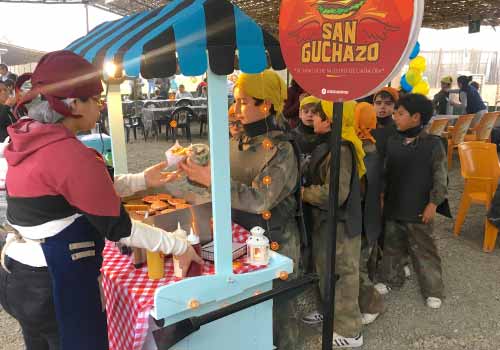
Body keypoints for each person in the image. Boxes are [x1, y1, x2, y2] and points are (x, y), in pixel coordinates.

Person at [0, 51, 202, 350]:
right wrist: (179, 244)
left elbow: (70, 192)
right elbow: (121, 228)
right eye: (95, 98)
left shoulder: (28, 138)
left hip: (17, 275)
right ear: (72, 105)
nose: (100, 105)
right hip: (53, 283)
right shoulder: (70, 155)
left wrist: (143, 180)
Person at [180, 70, 303, 350]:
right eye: (234, 101)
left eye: (243, 102)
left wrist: (211, 179)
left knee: (279, 315)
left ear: (266, 105)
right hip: (237, 240)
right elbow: (223, 183)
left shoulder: (281, 150)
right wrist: (193, 171)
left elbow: (259, 199)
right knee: (244, 310)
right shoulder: (236, 141)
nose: (234, 109)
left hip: (274, 243)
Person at [301, 100, 365, 348]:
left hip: (341, 224)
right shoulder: (328, 144)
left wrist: (304, 193)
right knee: (323, 269)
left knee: (343, 274)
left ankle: (351, 331)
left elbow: (336, 193)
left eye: (318, 115)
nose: (312, 119)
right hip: (325, 222)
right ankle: (328, 312)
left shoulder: (343, 149)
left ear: (330, 121)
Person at [376, 94, 447, 309]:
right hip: (394, 205)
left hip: (419, 209)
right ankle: (391, 279)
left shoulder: (433, 144)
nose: (394, 117)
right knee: (392, 246)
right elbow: (385, 174)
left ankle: (433, 290)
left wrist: (433, 203)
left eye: (400, 113)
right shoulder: (393, 141)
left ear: (416, 118)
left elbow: (440, 177)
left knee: (424, 250)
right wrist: (381, 197)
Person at [354, 102, 385, 325]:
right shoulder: (371, 146)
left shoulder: (363, 149)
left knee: (357, 263)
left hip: (362, 216)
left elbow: (362, 188)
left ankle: (372, 304)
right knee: (365, 257)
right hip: (371, 214)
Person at [371, 87, 399, 158]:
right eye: (378, 103)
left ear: (395, 107)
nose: (382, 106)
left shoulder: (399, 130)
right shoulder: (365, 128)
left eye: (388, 103)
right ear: (373, 105)